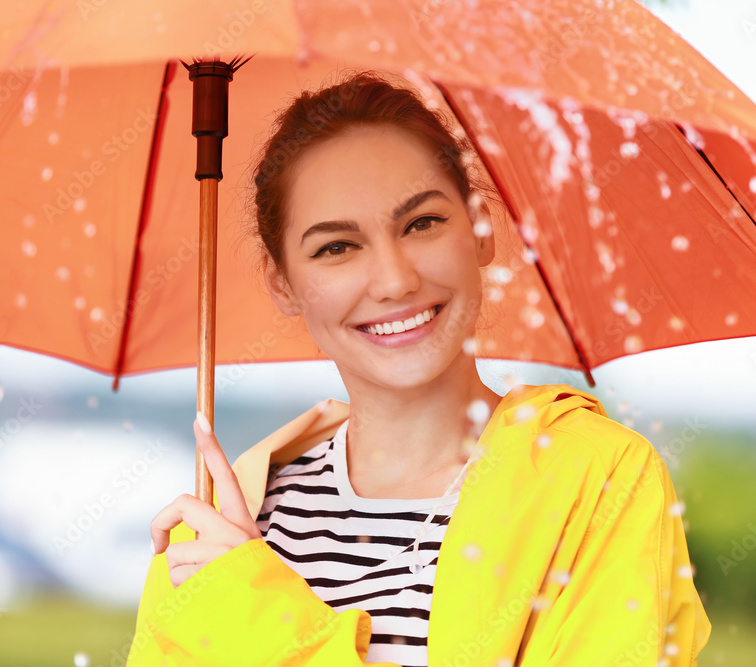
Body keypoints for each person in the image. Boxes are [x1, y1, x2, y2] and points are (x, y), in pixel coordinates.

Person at [126, 70, 711, 667]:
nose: (395, 280)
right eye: (336, 247)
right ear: (285, 285)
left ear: (480, 231)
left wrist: (260, 615)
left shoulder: (600, 481)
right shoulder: (220, 526)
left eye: (422, 223)